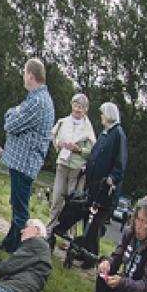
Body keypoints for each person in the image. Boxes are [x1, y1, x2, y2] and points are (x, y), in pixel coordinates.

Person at [51, 102, 127, 265]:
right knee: (88, 222)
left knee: (95, 226)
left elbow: (120, 162)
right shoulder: (106, 133)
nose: (100, 116)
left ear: (109, 115)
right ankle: (85, 252)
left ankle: (90, 258)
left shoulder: (118, 135)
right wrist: (88, 165)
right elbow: (95, 154)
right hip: (93, 188)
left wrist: (112, 178)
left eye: (102, 114)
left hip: (105, 191)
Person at [0, 58, 55, 253]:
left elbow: (9, 124)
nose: (24, 77)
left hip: (25, 162)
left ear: (30, 75)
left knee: (20, 210)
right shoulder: (36, 98)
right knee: (17, 205)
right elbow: (11, 114)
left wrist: (14, 113)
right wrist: (14, 112)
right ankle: (10, 243)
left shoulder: (37, 102)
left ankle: (21, 249)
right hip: (23, 162)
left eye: (24, 73)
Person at [46, 94, 96, 234]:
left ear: (85, 109)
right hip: (62, 164)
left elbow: (92, 151)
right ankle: (49, 230)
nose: (77, 109)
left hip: (77, 170)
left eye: (81, 107)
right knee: (56, 199)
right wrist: (59, 144)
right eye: (75, 105)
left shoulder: (88, 128)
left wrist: (78, 149)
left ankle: (69, 234)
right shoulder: (63, 122)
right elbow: (53, 137)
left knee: (73, 204)